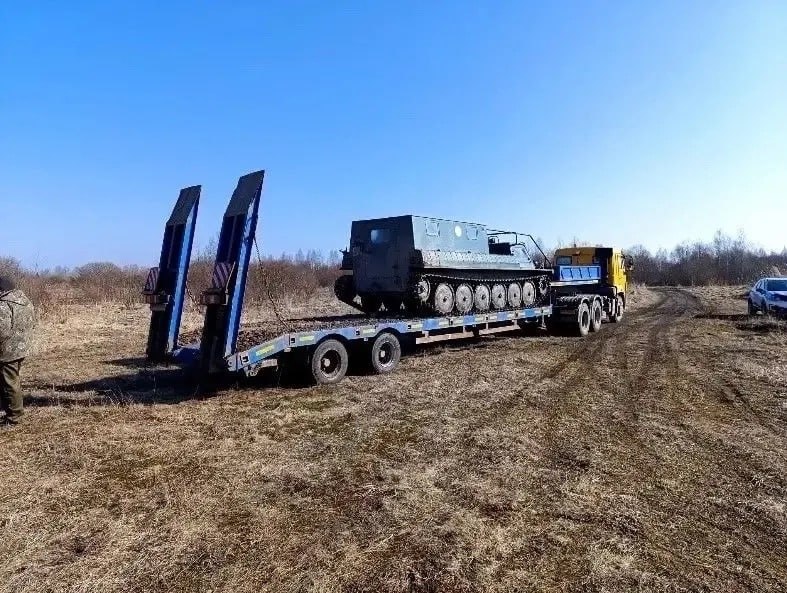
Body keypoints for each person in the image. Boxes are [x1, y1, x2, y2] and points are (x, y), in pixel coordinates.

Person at [0, 276, 35, 426]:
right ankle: (12, 411)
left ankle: (15, 417)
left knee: (9, 383)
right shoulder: (24, 300)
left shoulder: (3, 305)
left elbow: (1, 331)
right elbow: (31, 322)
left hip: (6, 351)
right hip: (21, 346)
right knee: (11, 381)